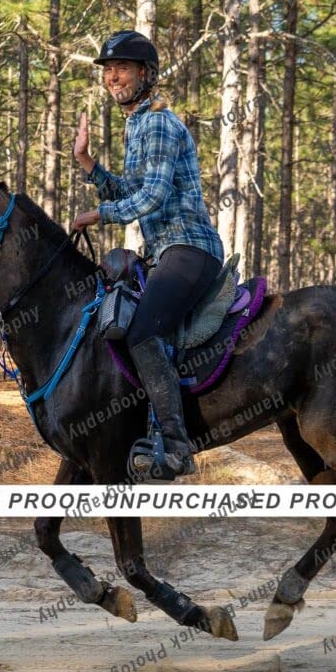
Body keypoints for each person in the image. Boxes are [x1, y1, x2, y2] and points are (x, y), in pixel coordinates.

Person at [71, 30, 224, 480]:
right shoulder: (137, 124)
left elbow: (151, 197)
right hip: (164, 250)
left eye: (122, 68)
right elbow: (131, 190)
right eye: (108, 70)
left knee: (141, 332)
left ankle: (175, 445)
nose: (112, 77)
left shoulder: (158, 123)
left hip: (189, 246)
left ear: (146, 74)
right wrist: (88, 164)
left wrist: (99, 214)